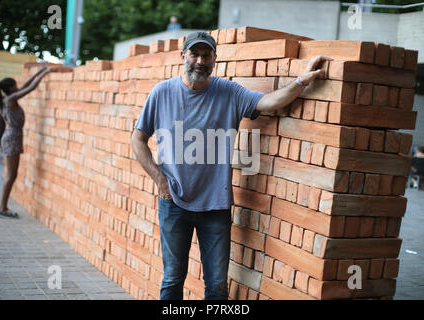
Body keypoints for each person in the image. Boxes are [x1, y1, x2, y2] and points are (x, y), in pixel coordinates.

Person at [131, 31, 331, 300]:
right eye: (195, 54)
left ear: (214, 59)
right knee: (173, 279)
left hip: (216, 205)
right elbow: (137, 139)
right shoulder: (162, 92)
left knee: (216, 286)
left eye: (207, 55)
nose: (200, 60)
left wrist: (300, 82)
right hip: (174, 203)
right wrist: (160, 180)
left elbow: (269, 102)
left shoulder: (229, 92)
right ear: (183, 56)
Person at [0, 65, 56, 218]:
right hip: (12, 138)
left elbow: (26, 85)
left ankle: (2, 206)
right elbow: (30, 89)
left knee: (12, 174)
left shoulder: (9, 97)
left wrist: (41, 71)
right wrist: (45, 73)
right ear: (10, 88)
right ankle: (3, 208)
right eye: (15, 85)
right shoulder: (10, 99)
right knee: (11, 174)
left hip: (13, 137)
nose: (17, 86)